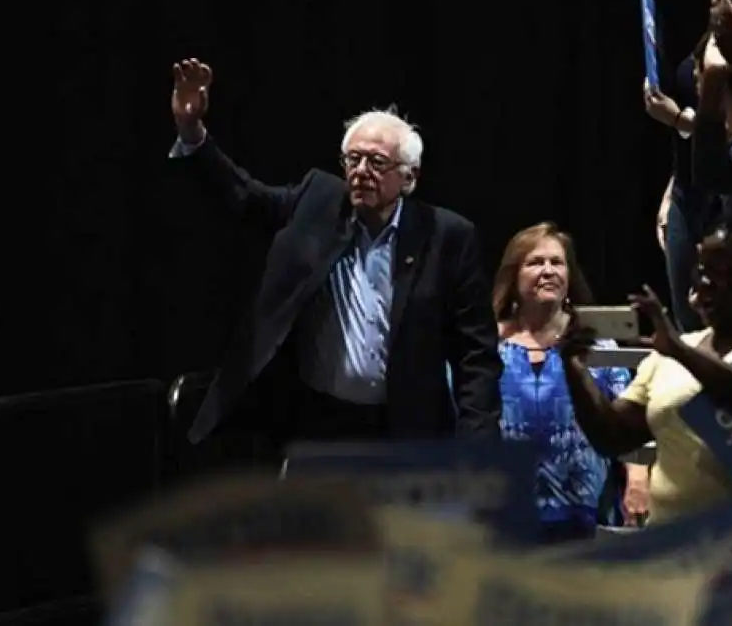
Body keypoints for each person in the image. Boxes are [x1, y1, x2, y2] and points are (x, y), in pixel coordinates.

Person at [168, 58, 502, 466]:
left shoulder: (447, 235)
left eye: (377, 163)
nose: (361, 172)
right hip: (317, 422)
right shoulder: (318, 201)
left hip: (402, 430)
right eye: (353, 160)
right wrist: (193, 133)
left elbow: (476, 357)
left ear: (409, 177)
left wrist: (477, 450)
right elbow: (246, 198)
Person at [559, 210, 732, 525]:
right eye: (704, 270)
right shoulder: (671, 352)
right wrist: (575, 368)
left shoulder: (676, 350)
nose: (708, 282)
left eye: (726, 271)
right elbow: (613, 437)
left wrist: (678, 351)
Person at [492, 223, 646, 542]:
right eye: (535, 262)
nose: (548, 271)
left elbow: (627, 422)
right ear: (513, 275)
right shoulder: (487, 346)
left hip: (587, 514)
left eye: (556, 262)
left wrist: (637, 478)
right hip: (505, 514)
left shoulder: (598, 345)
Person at [643, 0, 732, 331]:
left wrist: (681, 120)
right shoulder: (716, 28)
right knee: (692, 334)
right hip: (692, 194)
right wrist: (675, 183)